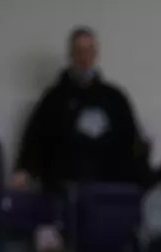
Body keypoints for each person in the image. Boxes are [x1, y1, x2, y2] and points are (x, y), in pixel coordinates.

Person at [12, 26, 148, 191]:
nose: (84, 58)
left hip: (106, 189)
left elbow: (132, 141)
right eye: (79, 51)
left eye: (89, 51)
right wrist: (24, 170)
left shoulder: (115, 98)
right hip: (63, 189)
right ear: (70, 54)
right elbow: (35, 140)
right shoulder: (54, 99)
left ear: (96, 54)